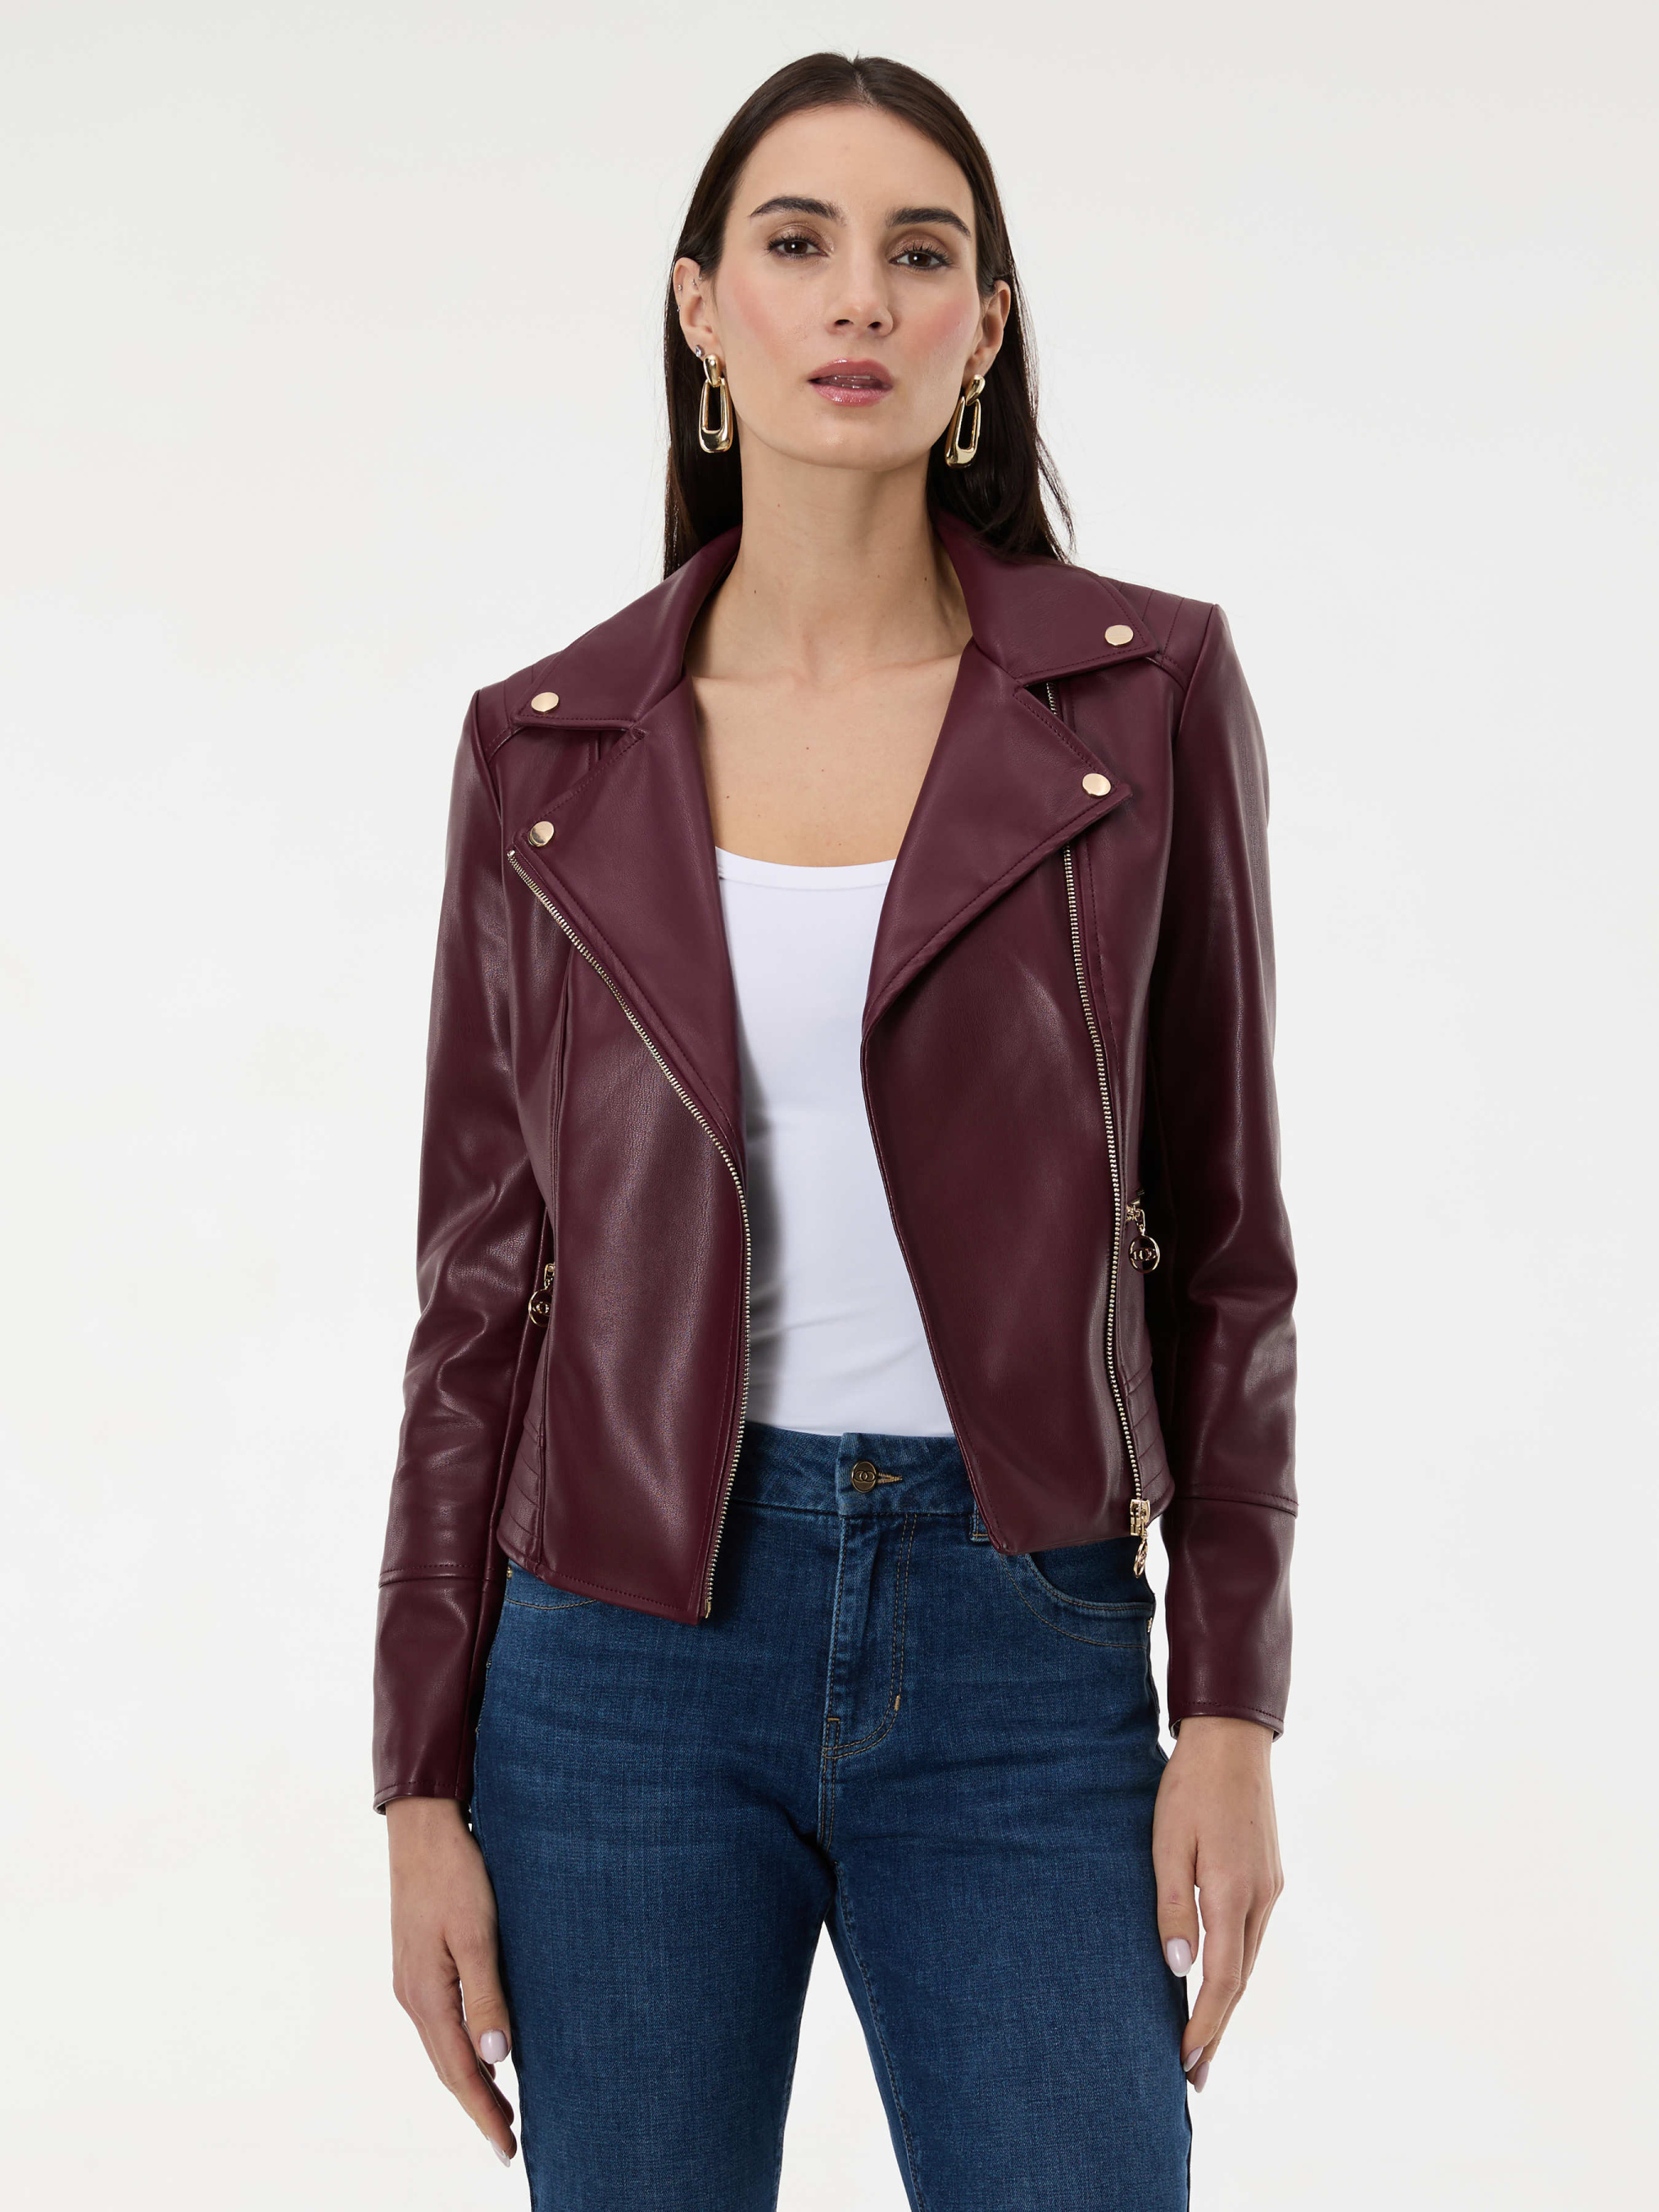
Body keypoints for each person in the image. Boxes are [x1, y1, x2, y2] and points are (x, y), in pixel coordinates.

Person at [374, 50, 1295, 2211]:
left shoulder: (1140, 702)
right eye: (796, 244)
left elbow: (1226, 1243)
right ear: (703, 308)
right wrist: (416, 1781)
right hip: (616, 1657)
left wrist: (1231, 1706)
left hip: (1021, 1633)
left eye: (919, 251)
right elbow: (478, 1295)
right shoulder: (543, 752)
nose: (858, 297)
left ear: (984, 324)